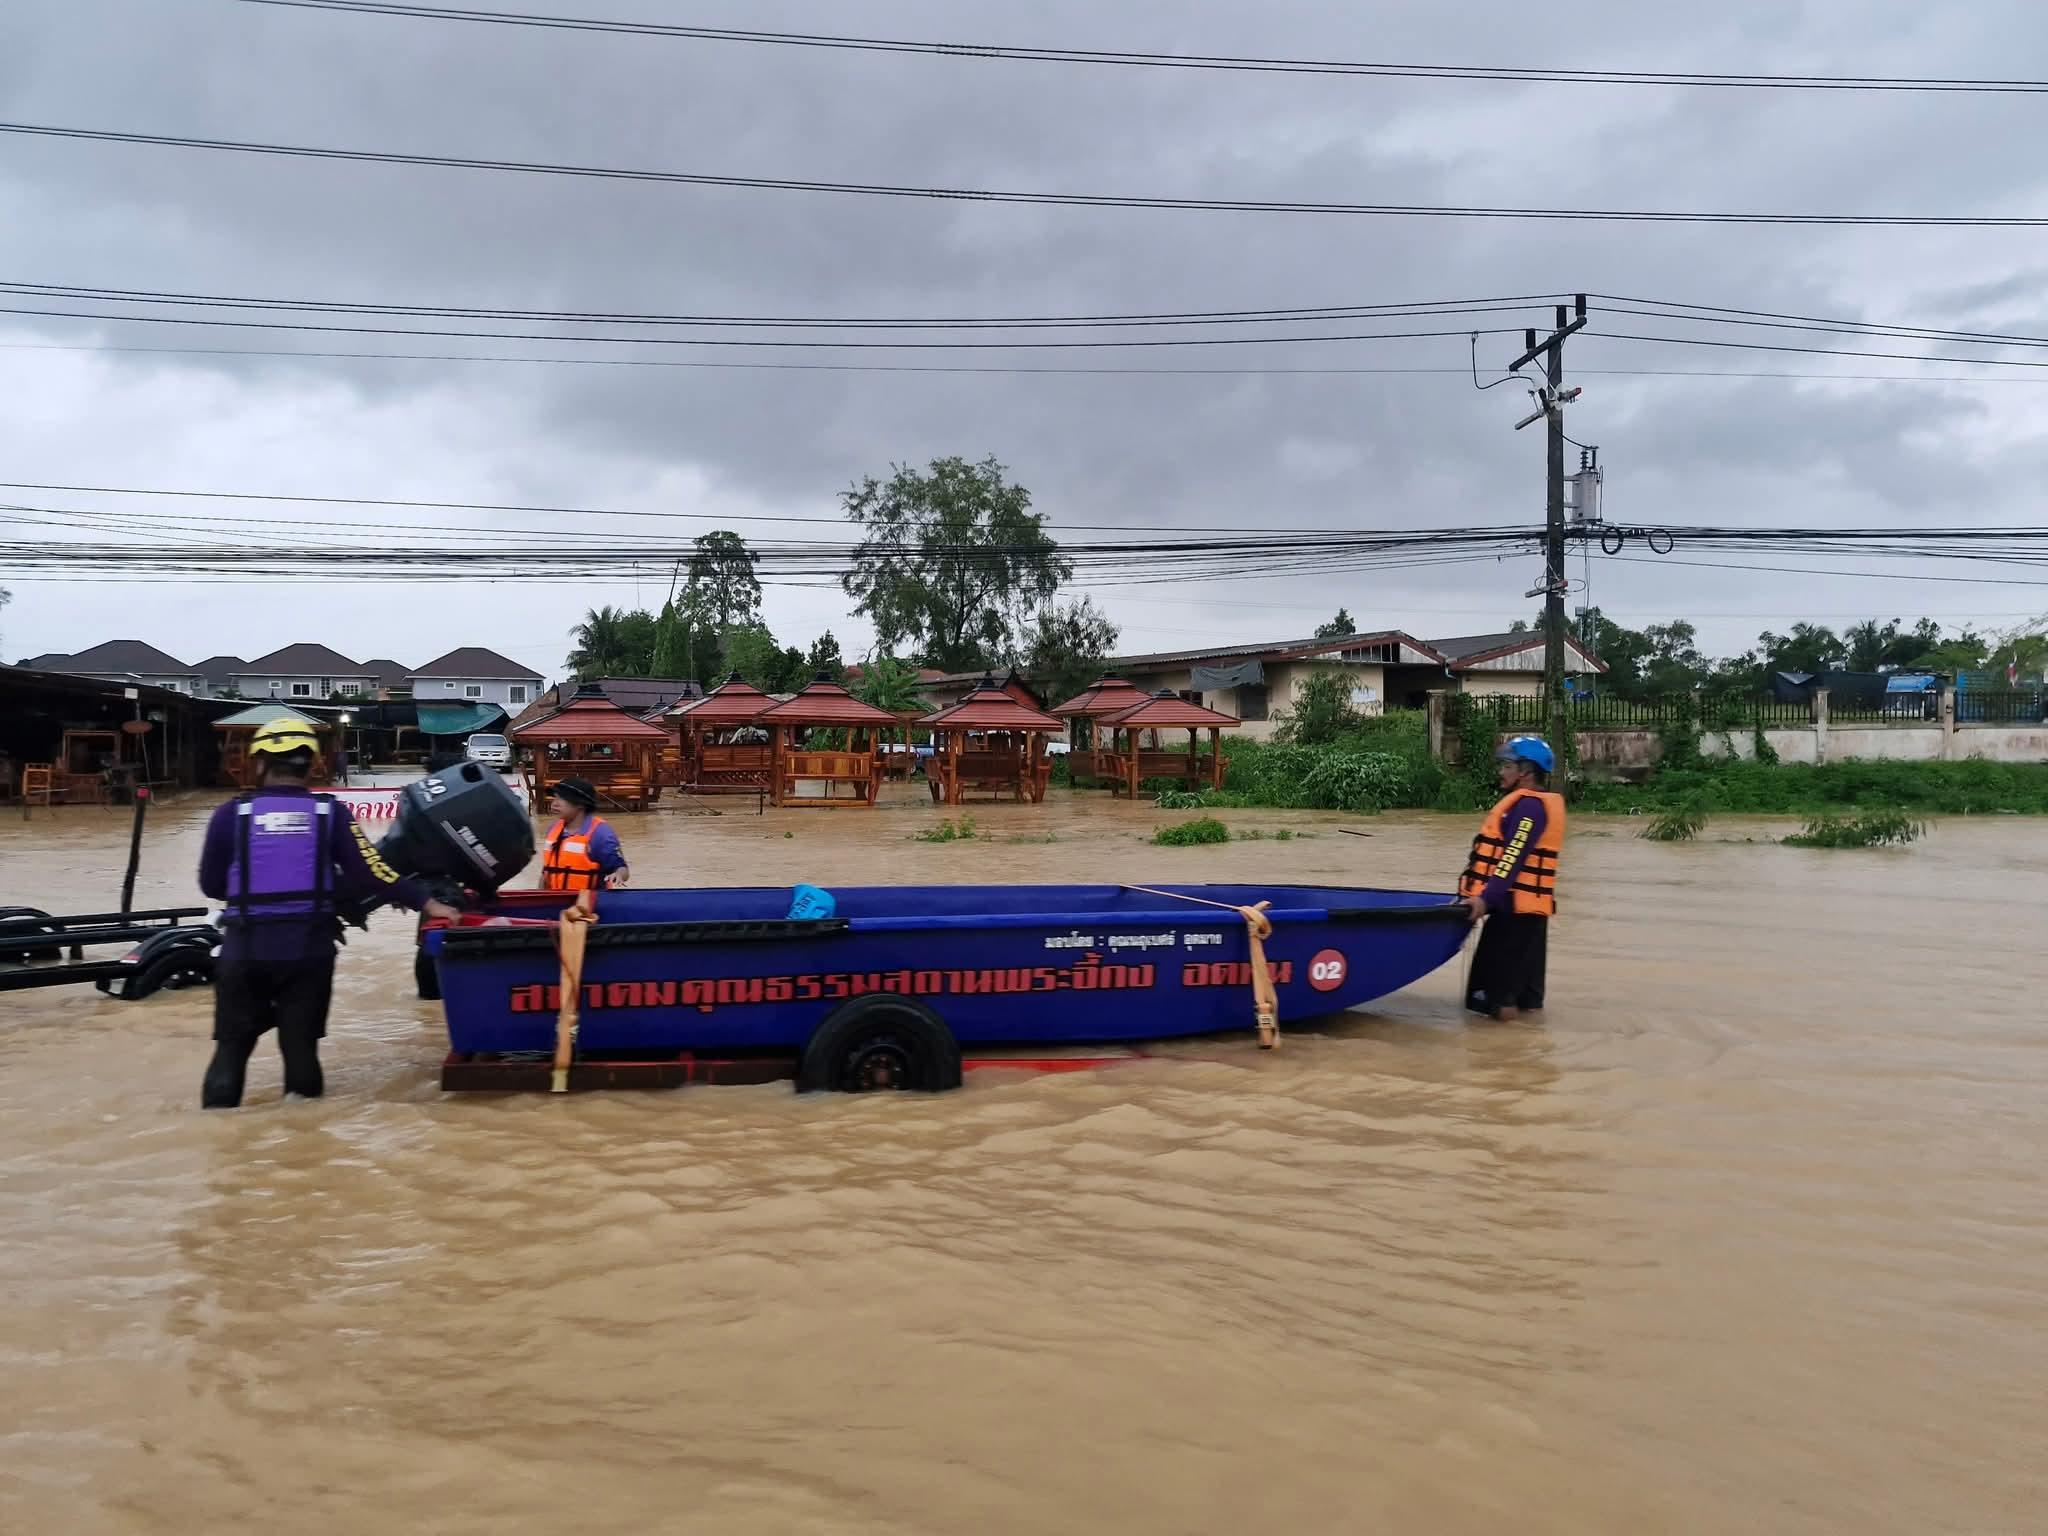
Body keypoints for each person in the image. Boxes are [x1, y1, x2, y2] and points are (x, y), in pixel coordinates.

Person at [197, 719, 458, 1108]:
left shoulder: (229, 815)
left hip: (244, 946)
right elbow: (372, 870)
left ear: (260, 763)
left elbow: (211, 884)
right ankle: (303, 1128)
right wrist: (429, 903)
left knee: (231, 1051)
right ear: (313, 766)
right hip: (308, 949)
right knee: (300, 1049)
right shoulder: (329, 813)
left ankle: (220, 1130)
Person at [1457, 735, 1565, 1022]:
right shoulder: (1527, 805)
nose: (1501, 772)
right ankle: (1526, 1046)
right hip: (1525, 917)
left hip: (1516, 919)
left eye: (1507, 766)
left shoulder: (1529, 808)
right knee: (1526, 1004)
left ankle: (1501, 1050)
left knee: (1497, 1003)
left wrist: (1484, 899)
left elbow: (1511, 859)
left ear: (1525, 772)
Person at [539, 777, 629, 892]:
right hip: (555, 900)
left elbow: (622, 869)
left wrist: (618, 875)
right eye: (555, 797)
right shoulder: (553, 829)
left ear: (580, 804)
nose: (554, 803)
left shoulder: (600, 834)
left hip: (589, 901)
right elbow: (546, 872)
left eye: (562, 798)